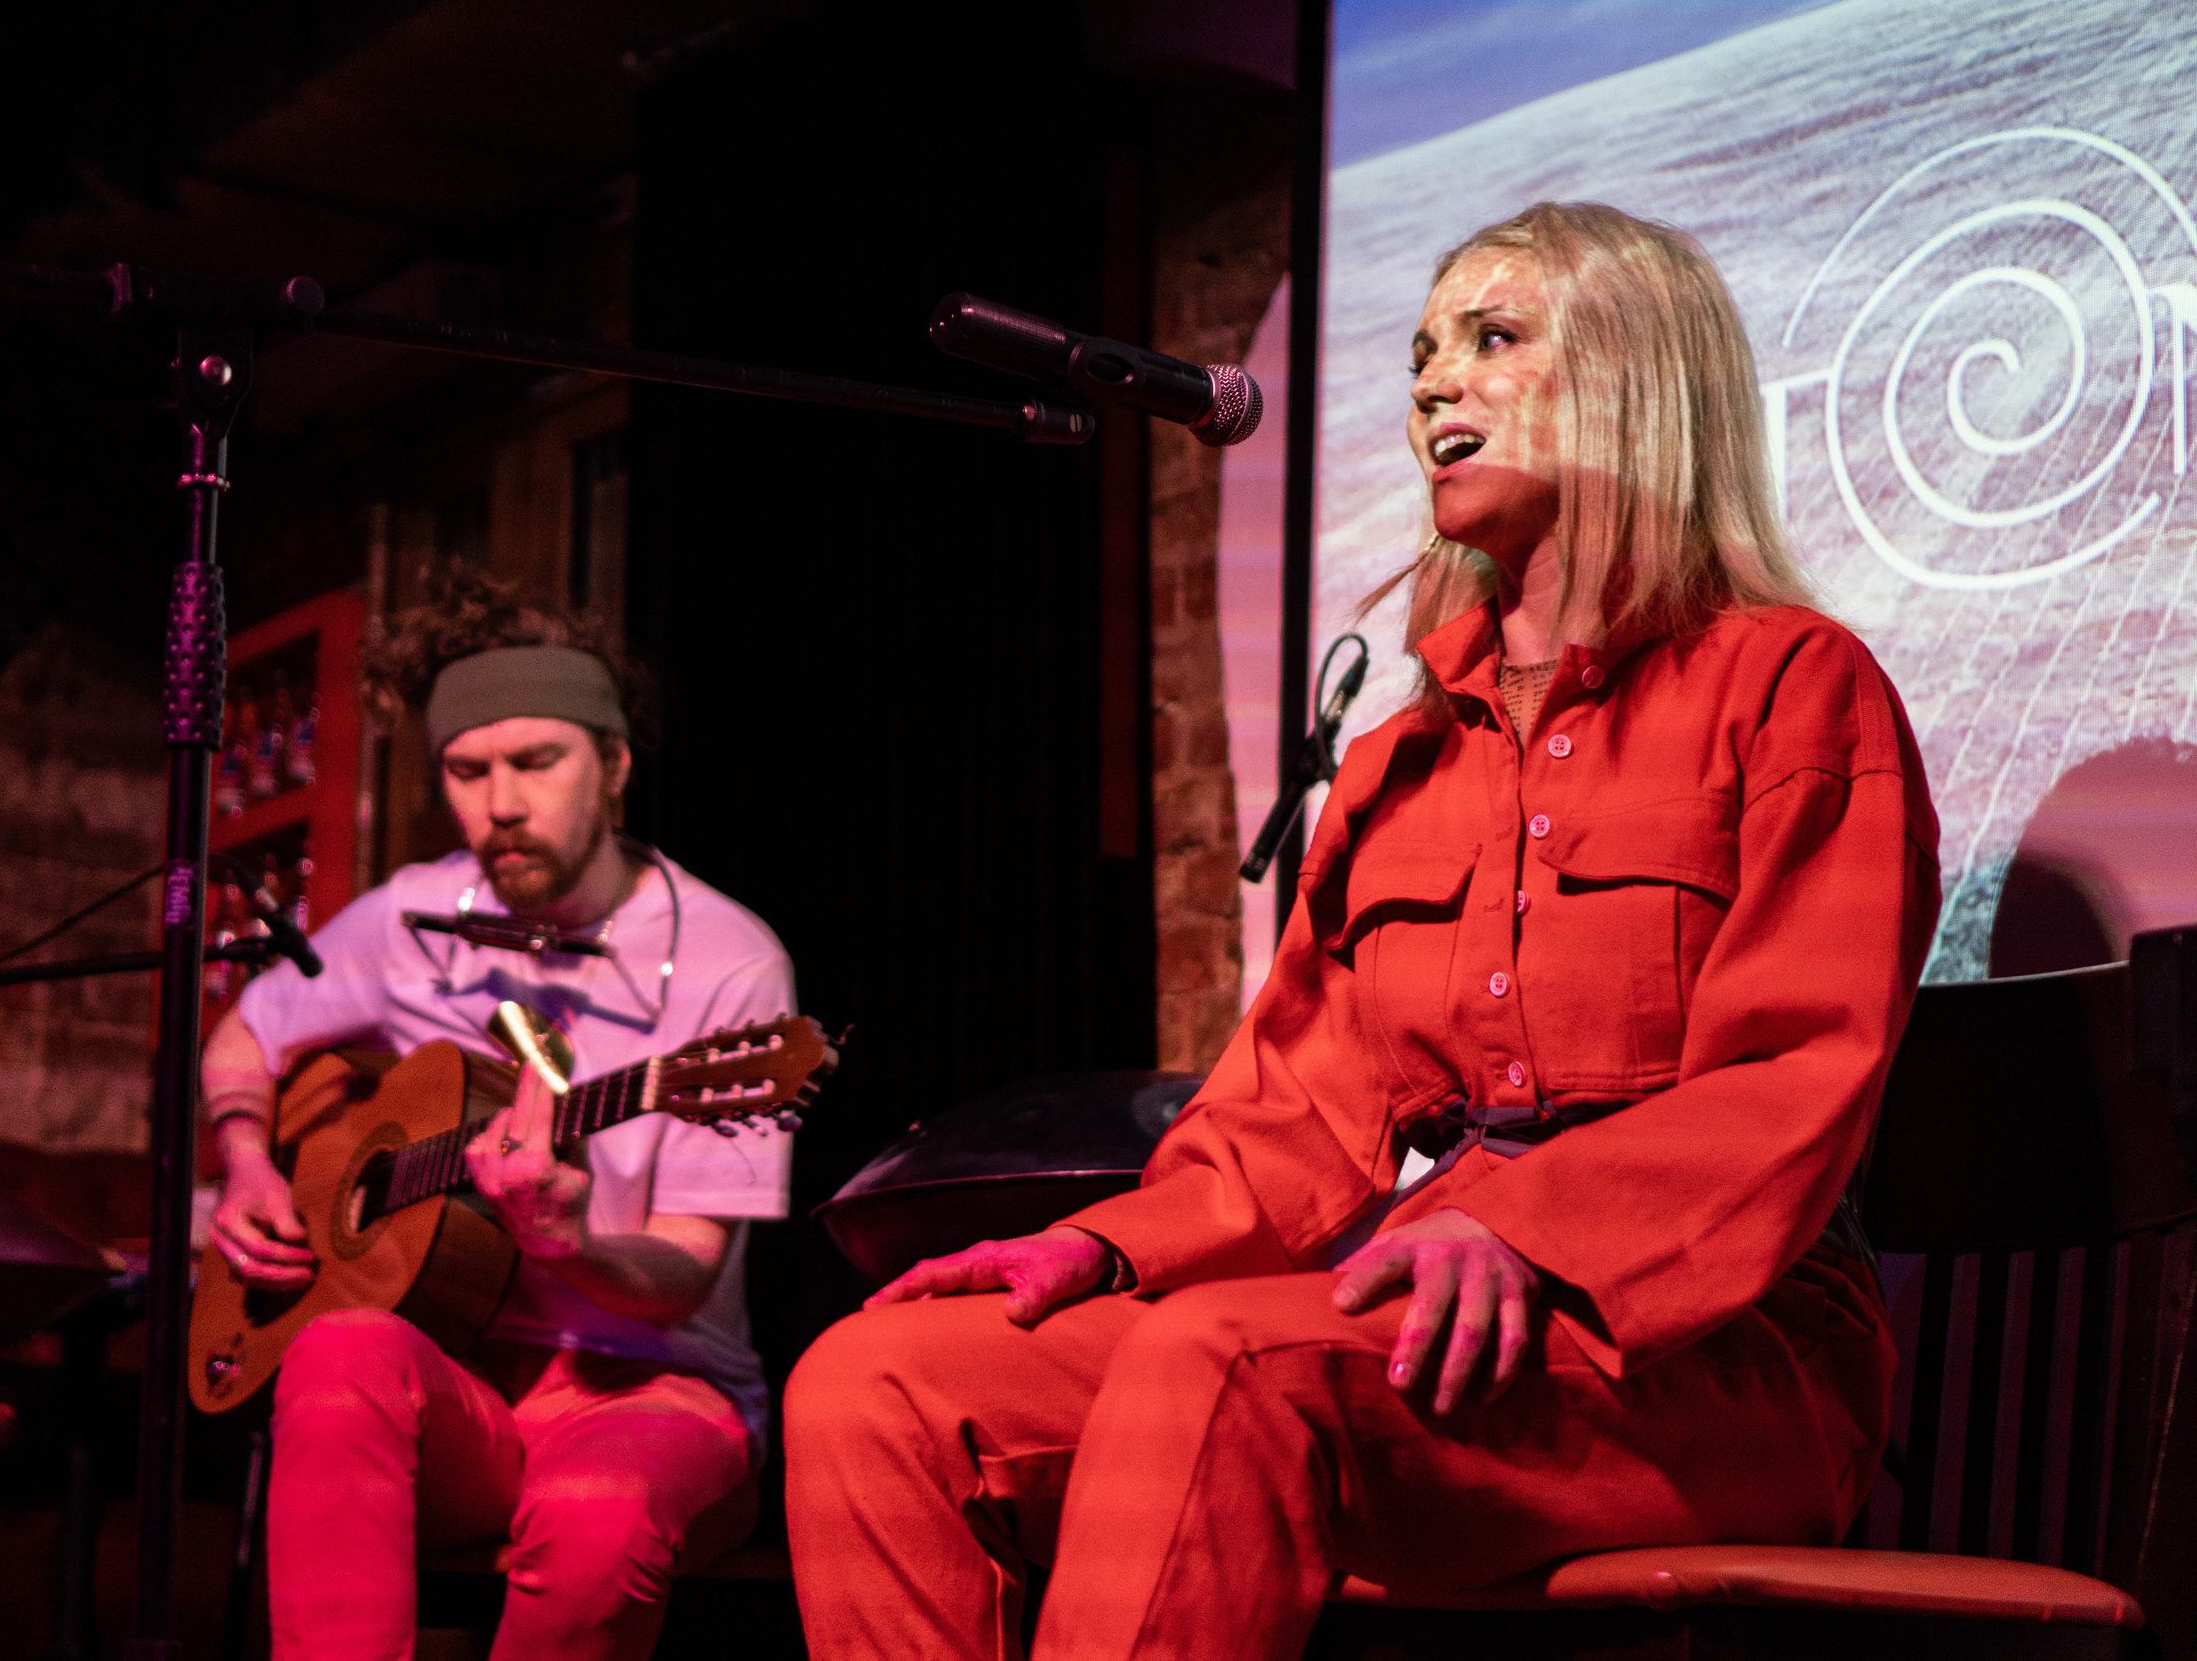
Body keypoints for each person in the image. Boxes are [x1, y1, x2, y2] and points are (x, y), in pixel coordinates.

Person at [782, 202, 1942, 1661]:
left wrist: (1518, 1227)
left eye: (1494, 339)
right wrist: (1099, 1245)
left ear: (1639, 375)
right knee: (877, 1380)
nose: (1434, 387)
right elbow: (1289, 1121)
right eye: (1421, 357)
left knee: (1228, 1363)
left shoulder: (1793, 685)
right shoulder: (1398, 762)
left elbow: (1791, 1072)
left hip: (1718, 1347)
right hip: (1431, 1317)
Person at [203, 572, 795, 1661]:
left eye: (536, 762)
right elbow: (247, 1031)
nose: (501, 804)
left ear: (614, 766)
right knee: (337, 1357)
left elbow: (687, 1272)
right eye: (467, 772)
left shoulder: (728, 960)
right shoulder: (416, 921)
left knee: (596, 1515)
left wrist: (569, 1243)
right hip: (466, 1379)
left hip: (655, 1386)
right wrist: (246, 1158)